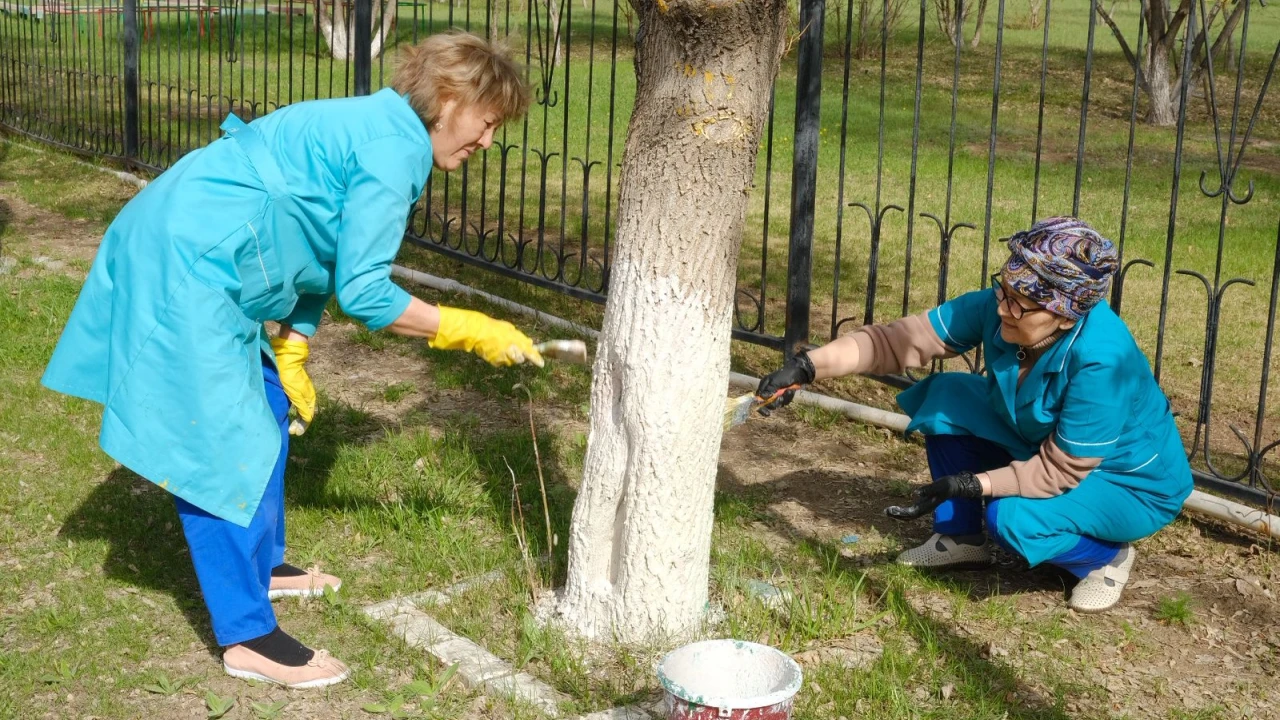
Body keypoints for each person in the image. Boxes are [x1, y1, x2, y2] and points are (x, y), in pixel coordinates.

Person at [41, 31, 543, 688]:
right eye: (486, 122)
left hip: (210, 240)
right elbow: (364, 291)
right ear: (448, 99)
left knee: (271, 401)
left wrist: (295, 344)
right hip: (189, 254)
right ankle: (248, 637)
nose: (486, 141)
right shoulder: (395, 149)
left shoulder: (384, 128)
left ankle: (264, 567)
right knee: (223, 444)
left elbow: (320, 240)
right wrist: (466, 328)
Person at [756, 217, 1193, 613]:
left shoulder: (1103, 358)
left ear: (1064, 315)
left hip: (1126, 482)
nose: (1003, 307)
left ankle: (1105, 556)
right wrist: (809, 366)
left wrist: (970, 484)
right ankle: (961, 538)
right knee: (947, 395)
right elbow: (901, 341)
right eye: (1004, 290)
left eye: (1021, 303)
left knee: (1011, 519)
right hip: (1042, 442)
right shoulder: (1001, 306)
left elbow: (1058, 471)